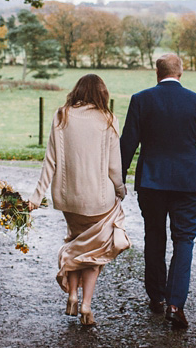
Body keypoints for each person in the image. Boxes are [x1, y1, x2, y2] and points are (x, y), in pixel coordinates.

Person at [120, 53, 196, 329]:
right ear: (181, 72)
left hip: (151, 182)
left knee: (154, 235)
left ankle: (156, 297)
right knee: (184, 239)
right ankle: (175, 304)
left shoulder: (141, 99)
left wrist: (118, 179)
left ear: (157, 73)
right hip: (187, 183)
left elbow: (127, 142)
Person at [27, 74, 129, 326]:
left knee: (76, 242)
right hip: (99, 200)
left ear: (77, 91)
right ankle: (85, 306)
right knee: (94, 253)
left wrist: (36, 196)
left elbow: (49, 161)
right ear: (101, 94)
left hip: (68, 199)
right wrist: (120, 189)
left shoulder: (62, 116)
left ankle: (72, 295)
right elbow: (114, 167)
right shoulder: (108, 119)